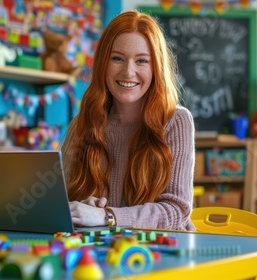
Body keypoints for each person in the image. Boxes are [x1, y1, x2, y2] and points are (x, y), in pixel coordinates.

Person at [60, 10, 195, 231]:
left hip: (162, 253)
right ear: (104, 63)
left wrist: (106, 216)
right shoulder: (82, 124)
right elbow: (64, 203)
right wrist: (83, 206)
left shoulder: (176, 121)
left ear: (156, 68)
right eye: (117, 58)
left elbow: (176, 211)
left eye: (142, 61)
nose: (128, 72)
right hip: (97, 254)